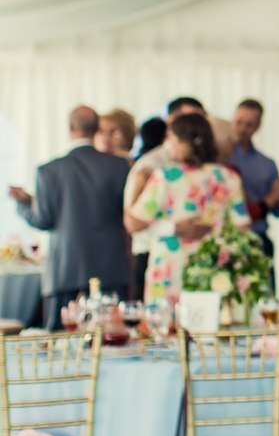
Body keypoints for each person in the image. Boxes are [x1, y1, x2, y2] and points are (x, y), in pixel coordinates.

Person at [9, 107, 130, 329]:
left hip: (65, 270)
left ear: (71, 129)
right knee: (114, 340)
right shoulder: (119, 166)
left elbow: (43, 220)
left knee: (61, 345)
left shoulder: (49, 171)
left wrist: (22, 205)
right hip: (112, 268)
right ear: (96, 130)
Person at [125, 114, 251, 305]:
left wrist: (171, 227)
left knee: (167, 328)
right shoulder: (228, 177)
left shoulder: (167, 176)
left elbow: (133, 223)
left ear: (185, 143)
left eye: (170, 138)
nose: (166, 144)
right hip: (214, 268)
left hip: (170, 270)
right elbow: (243, 228)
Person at [124, 97, 207, 300]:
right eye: (188, 120)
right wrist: (174, 228)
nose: (193, 128)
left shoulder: (213, 169)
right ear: (171, 122)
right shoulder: (150, 166)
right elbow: (132, 221)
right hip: (154, 257)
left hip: (202, 262)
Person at [229, 99, 279, 262]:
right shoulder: (220, 160)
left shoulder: (267, 164)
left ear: (258, 126)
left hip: (258, 239)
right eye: (238, 122)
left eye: (249, 124)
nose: (242, 129)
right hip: (228, 240)